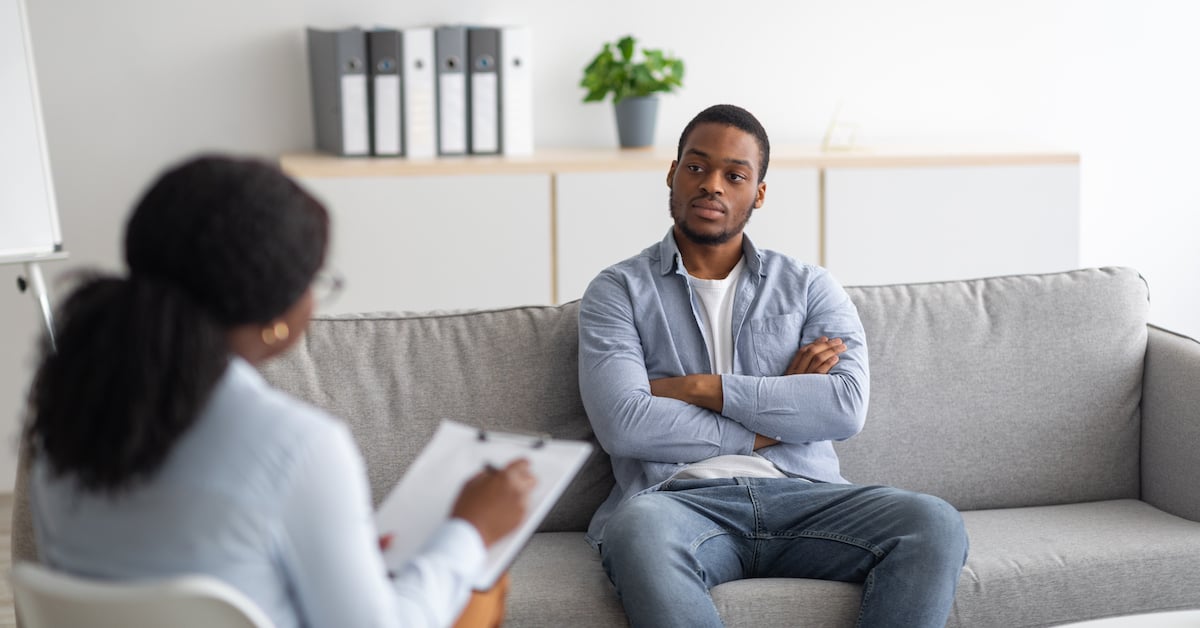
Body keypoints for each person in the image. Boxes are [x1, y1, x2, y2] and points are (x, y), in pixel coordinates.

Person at [24, 155, 535, 628]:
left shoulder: (65, 417)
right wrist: (470, 530)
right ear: (274, 319)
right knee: (478, 590)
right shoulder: (297, 446)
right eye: (315, 280)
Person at [578, 104, 969, 627]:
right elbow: (625, 425)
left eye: (734, 175)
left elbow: (844, 409)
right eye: (696, 167)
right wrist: (773, 415)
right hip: (678, 504)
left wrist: (699, 387)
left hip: (806, 499)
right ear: (672, 174)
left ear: (758, 192)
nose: (712, 185)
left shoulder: (810, 286)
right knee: (637, 529)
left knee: (933, 521)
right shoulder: (618, 290)